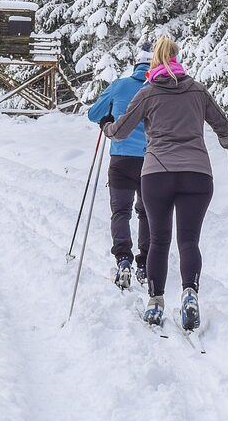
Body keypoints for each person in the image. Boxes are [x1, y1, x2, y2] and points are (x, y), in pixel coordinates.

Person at [101, 35, 228, 331]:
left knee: (159, 241)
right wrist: (226, 140)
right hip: (198, 174)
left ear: (154, 62)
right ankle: (189, 293)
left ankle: (155, 302)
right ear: (177, 58)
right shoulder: (198, 91)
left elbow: (121, 130)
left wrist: (107, 128)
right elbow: (224, 127)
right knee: (189, 241)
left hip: (157, 173)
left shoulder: (148, 93)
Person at [85, 43, 153, 290]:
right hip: (151, 160)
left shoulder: (120, 85)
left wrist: (108, 119)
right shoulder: (157, 88)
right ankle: (145, 263)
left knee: (121, 212)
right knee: (147, 213)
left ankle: (123, 259)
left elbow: (94, 114)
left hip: (121, 159)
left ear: (135, 64)